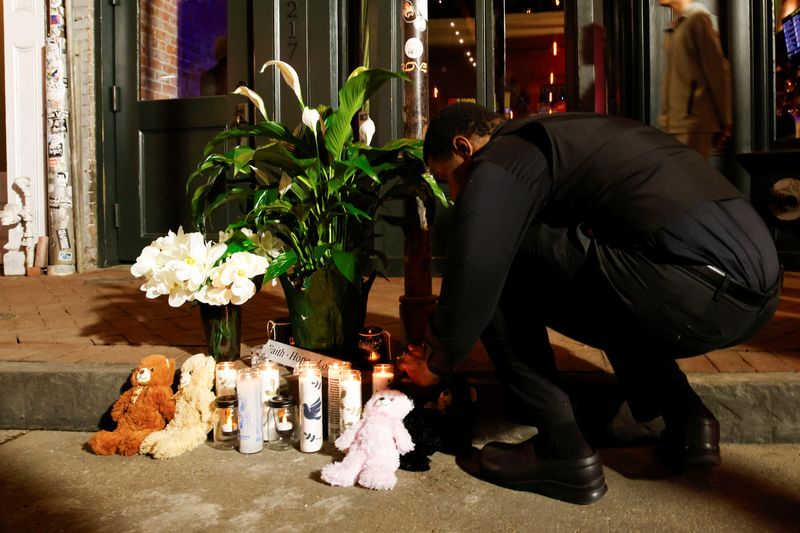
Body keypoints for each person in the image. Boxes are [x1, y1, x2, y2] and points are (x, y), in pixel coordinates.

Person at [398, 103, 781, 505]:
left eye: (448, 179)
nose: (456, 196)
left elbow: (478, 261)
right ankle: (687, 419)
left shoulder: (505, 154)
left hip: (693, 281)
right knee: (596, 273)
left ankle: (561, 448)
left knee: (501, 258)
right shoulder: (568, 137)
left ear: (464, 148)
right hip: (755, 291)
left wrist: (435, 359)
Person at [658, 0, 732, 159]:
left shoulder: (698, 20)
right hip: (674, 124)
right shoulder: (678, 25)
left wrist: (724, 120)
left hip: (692, 124)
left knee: (691, 180)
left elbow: (717, 72)